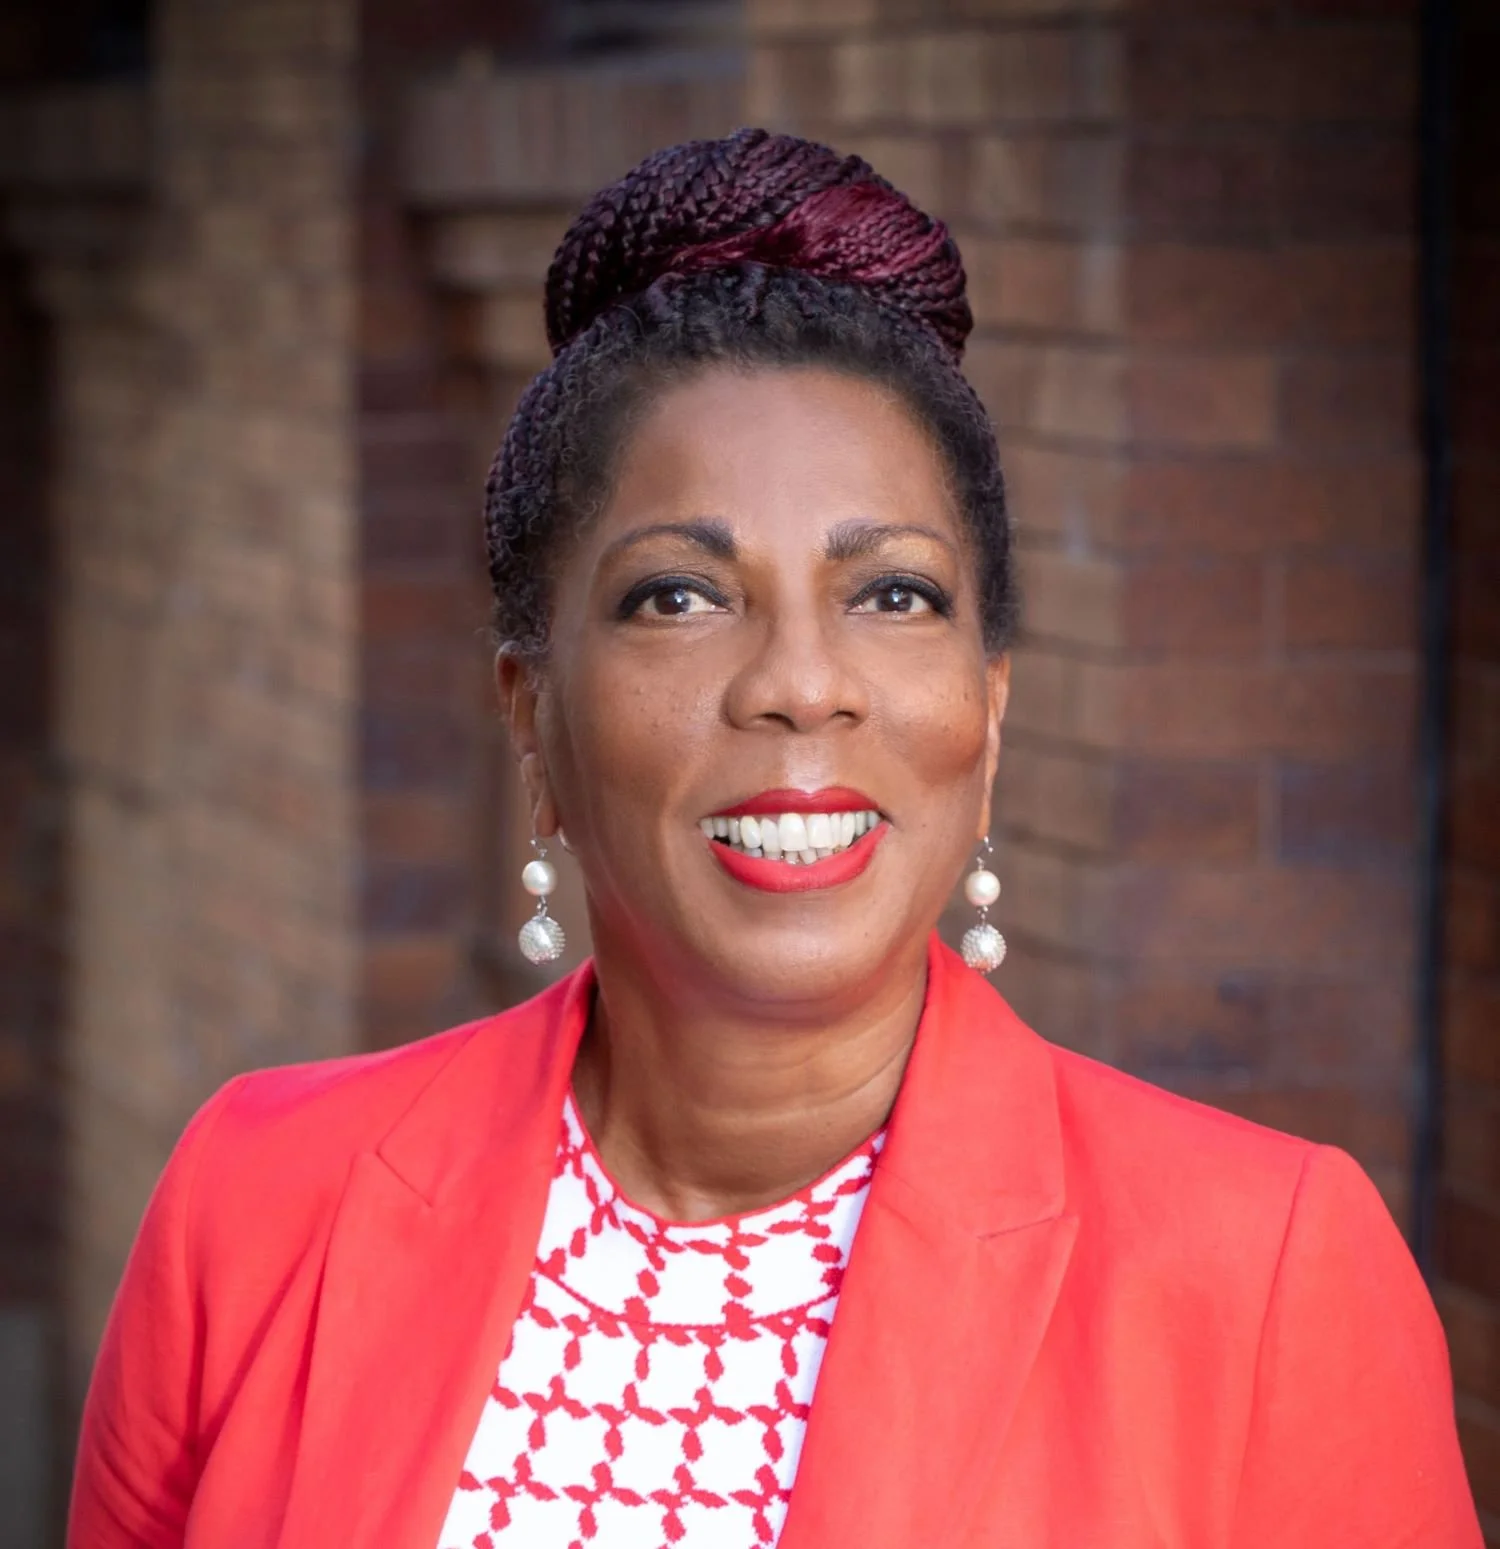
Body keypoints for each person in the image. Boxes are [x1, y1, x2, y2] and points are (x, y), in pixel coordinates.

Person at [68, 129, 1481, 1549]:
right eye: (679, 597)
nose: (802, 683)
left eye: (896, 597)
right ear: (530, 713)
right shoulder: (255, 1203)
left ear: (988, 714)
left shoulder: (1263, 1275)